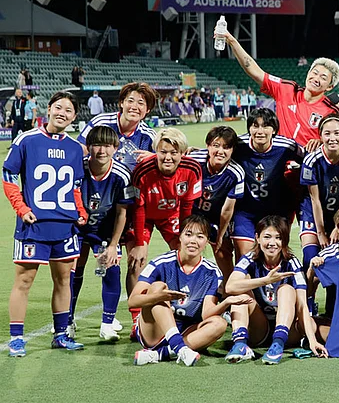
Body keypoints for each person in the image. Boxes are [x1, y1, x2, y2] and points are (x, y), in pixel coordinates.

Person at [4, 91, 88, 356]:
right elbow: (8, 174)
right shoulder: (27, 140)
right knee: (24, 281)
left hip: (65, 227)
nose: (62, 113)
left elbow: (75, 186)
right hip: (34, 225)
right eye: (58, 107)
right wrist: (21, 208)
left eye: (69, 110)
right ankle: (16, 338)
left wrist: (81, 210)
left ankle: (60, 335)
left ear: (74, 117)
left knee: (64, 280)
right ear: (48, 109)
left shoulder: (75, 148)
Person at [131, 215, 246, 367]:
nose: (193, 241)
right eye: (188, 234)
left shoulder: (213, 273)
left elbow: (206, 313)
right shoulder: (161, 263)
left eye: (200, 236)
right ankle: (178, 347)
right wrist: (160, 296)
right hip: (154, 331)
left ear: (206, 242)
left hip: (187, 332)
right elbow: (133, 300)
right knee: (157, 287)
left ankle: (161, 354)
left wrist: (226, 303)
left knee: (220, 323)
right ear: (180, 237)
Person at [126, 128, 203, 337]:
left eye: (173, 152)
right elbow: (139, 207)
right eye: (163, 152)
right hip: (144, 216)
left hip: (172, 215)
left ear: (182, 154)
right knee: (136, 262)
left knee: (186, 257)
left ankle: (186, 311)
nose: (168, 157)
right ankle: (136, 319)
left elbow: (187, 206)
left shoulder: (192, 169)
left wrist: (184, 238)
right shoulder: (142, 171)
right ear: (156, 151)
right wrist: (141, 243)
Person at [225, 215, 327, 364]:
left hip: (287, 333)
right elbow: (229, 287)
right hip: (260, 328)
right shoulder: (250, 259)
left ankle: (277, 344)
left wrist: (312, 340)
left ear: (284, 241)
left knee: (286, 289)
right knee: (240, 291)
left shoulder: (291, 263)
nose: (272, 243)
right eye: (267, 237)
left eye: (278, 238)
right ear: (257, 238)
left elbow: (302, 305)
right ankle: (240, 344)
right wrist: (266, 280)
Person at [216, 29, 339, 149]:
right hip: (279, 164)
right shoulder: (287, 90)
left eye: (323, 77)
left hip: (307, 167)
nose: (316, 78)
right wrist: (232, 41)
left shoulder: (331, 111)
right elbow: (255, 72)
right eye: (314, 72)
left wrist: (322, 142)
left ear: (330, 86)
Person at [69, 126, 134, 341]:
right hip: (76, 228)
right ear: (88, 147)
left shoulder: (123, 175)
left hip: (105, 230)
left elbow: (122, 213)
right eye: (96, 145)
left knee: (111, 269)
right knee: (71, 272)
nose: (101, 150)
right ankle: (66, 321)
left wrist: (114, 244)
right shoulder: (77, 168)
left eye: (107, 145)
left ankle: (107, 324)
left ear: (116, 148)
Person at [230, 108, 303, 246]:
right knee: (244, 254)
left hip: (276, 210)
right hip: (245, 210)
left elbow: (308, 158)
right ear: (249, 128)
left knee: (274, 252)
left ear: (274, 130)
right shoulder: (238, 144)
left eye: (266, 126)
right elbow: (217, 153)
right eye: (255, 126)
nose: (260, 131)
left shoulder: (286, 146)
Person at [299, 114, 339, 270]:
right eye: (327, 133)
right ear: (320, 135)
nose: (332, 138)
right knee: (310, 259)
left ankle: (335, 295)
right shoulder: (311, 160)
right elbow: (315, 200)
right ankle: (308, 295)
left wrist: (338, 226)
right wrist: (320, 233)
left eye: (337, 133)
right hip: (313, 212)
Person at [188, 126, 245, 285]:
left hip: (216, 216)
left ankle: (228, 290)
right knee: (186, 248)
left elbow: (227, 210)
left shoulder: (236, 173)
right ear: (208, 145)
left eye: (226, 147)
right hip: (192, 213)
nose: (220, 151)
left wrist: (220, 235)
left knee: (223, 252)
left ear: (232, 150)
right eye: (216, 145)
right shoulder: (193, 159)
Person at [78, 82, 158, 170]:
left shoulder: (149, 136)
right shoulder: (100, 123)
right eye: (130, 101)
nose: (134, 107)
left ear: (148, 109)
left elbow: (165, 161)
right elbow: (80, 150)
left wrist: (155, 158)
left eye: (141, 103)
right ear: (121, 103)